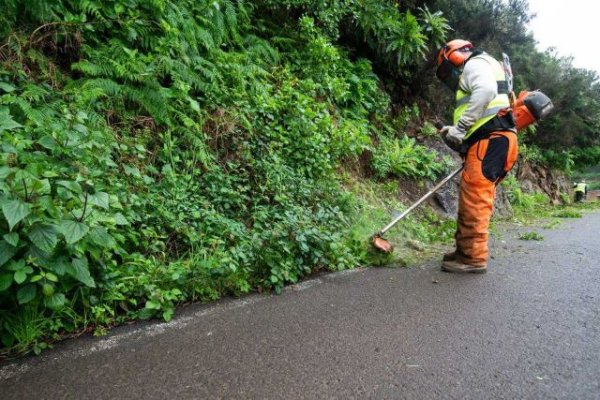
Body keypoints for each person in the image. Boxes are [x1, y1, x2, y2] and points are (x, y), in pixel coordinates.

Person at [435, 39, 519, 274]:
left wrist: (460, 129)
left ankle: (472, 258)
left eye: (447, 70)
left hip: (491, 141)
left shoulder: (475, 64)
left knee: (475, 200)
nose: (450, 77)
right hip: (492, 140)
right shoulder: (489, 64)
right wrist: (454, 133)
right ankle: (464, 251)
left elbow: (486, 91)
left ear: (455, 56)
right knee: (471, 196)